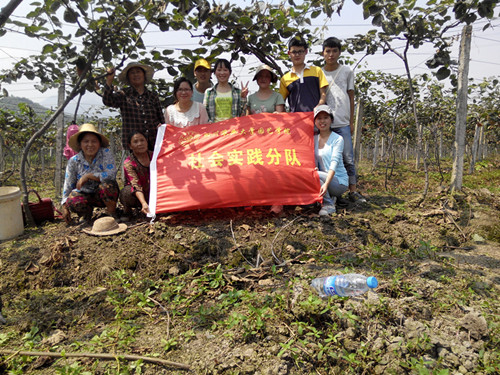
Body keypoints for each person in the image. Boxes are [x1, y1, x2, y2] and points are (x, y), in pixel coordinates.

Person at [322, 37, 366, 202]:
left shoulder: (347, 72)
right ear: (323, 53)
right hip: (326, 123)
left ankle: (352, 191)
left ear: (339, 52)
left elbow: (351, 97)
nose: (331, 55)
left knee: (347, 156)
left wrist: (351, 121)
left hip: (342, 122)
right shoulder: (320, 72)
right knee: (327, 157)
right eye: (328, 51)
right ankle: (332, 192)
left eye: (334, 51)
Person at [61, 123, 119, 224]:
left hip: (102, 195)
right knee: (73, 199)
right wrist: (64, 206)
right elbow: (68, 184)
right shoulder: (74, 161)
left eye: (94, 141)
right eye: (86, 141)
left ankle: (111, 213)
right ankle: (86, 215)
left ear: (99, 143)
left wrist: (88, 176)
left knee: (108, 186)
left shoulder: (105, 153)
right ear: (80, 144)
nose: (90, 145)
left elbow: (111, 174)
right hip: (84, 194)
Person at [102, 62, 164, 150]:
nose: (136, 75)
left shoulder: (152, 96)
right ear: (128, 78)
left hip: (153, 143)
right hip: (133, 145)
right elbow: (108, 101)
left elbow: (161, 119)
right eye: (132, 73)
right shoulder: (124, 94)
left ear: (144, 75)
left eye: (138, 72)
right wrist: (109, 81)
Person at [313, 105, 348, 216]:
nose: (322, 121)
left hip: (338, 181)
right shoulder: (313, 139)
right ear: (315, 121)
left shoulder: (337, 139)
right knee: (310, 173)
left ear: (331, 120)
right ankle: (329, 196)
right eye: (319, 118)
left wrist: (326, 183)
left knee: (314, 174)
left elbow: (334, 163)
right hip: (322, 178)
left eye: (325, 118)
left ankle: (329, 205)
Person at [279, 36, 328, 112]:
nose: (297, 55)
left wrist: (319, 107)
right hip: (296, 121)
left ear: (306, 51)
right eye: (294, 52)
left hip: (317, 118)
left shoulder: (317, 71)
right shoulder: (285, 79)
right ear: (289, 53)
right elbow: (281, 103)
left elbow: (323, 94)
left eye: (300, 51)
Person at [119, 130, 152, 221]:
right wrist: (144, 203)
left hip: (156, 192)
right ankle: (128, 211)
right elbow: (136, 184)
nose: (140, 144)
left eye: (142, 140)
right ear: (130, 146)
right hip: (138, 195)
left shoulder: (155, 156)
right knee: (126, 192)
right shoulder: (129, 163)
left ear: (147, 142)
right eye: (136, 142)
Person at [204, 58, 248, 123]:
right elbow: (205, 112)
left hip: (233, 129)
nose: (222, 73)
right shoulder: (209, 92)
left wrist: (243, 97)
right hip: (215, 129)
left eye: (225, 70)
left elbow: (242, 114)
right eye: (219, 70)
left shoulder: (238, 92)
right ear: (215, 72)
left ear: (230, 72)